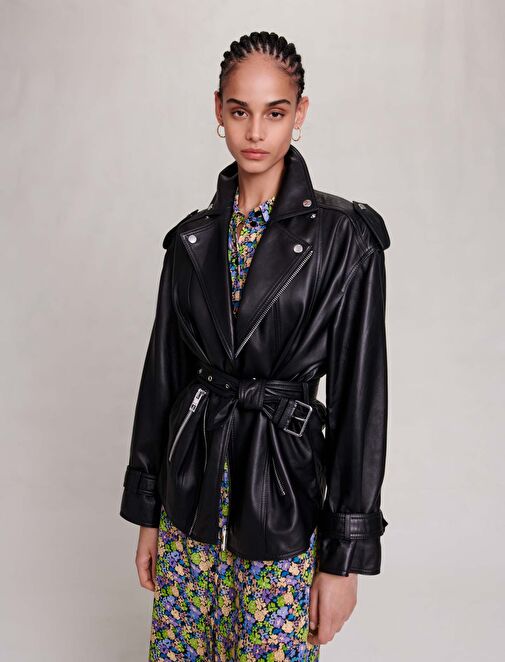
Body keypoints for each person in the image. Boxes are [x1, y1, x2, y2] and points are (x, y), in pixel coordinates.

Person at [120, 31, 391, 660]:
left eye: (275, 112)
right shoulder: (189, 243)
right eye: (240, 110)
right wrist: (148, 515)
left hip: (283, 499)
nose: (255, 131)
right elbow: (162, 380)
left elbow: (360, 404)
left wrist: (344, 560)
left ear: (300, 113)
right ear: (218, 110)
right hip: (191, 498)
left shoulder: (346, 239)